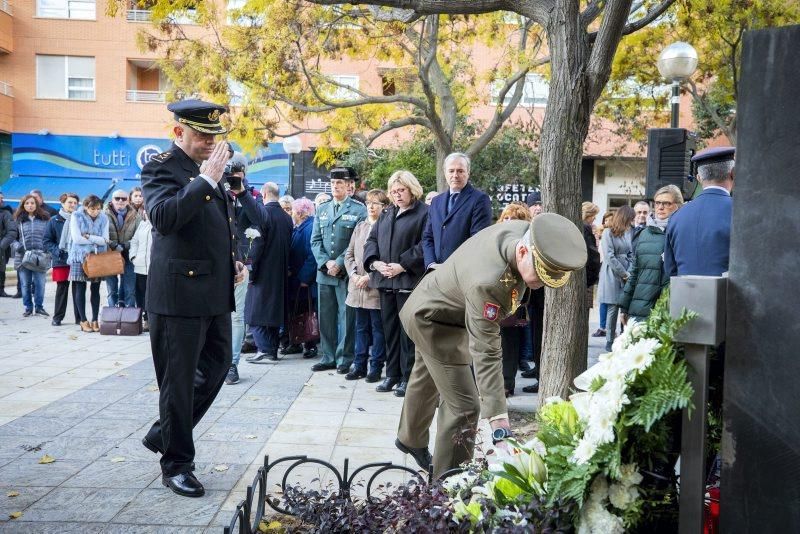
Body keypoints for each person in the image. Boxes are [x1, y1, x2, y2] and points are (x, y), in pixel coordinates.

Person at [395, 214, 587, 477]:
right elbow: (486, 350)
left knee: (426, 376)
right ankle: (448, 484)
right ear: (522, 251)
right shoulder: (490, 283)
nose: (543, 284)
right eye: (541, 275)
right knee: (464, 407)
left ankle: (409, 439)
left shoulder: (526, 233)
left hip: (436, 300)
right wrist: (498, 419)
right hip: (434, 322)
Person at [140, 99, 241, 498]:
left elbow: (218, 224)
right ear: (178, 132)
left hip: (214, 290)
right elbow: (164, 219)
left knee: (217, 369)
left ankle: (164, 431)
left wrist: (234, 259)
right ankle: (177, 464)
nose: (209, 144)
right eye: (201, 136)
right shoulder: (160, 167)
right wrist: (206, 179)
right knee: (177, 384)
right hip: (178, 294)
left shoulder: (208, 170)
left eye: (214, 136)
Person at [364, 172, 428, 396]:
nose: (397, 194)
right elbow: (372, 240)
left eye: (401, 190)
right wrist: (375, 263)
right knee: (389, 330)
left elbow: (424, 245)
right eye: (393, 191)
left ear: (412, 189)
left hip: (408, 280)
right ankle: (391, 374)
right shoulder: (387, 213)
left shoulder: (424, 213)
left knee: (406, 333)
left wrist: (402, 265)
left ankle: (407, 377)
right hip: (385, 281)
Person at [310, 167, 367, 373]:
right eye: (333, 183)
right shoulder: (322, 208)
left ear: (348, 185)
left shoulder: (359, 210)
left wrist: (339, 263)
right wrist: (326, 263)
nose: (336, 186)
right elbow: (315, 240)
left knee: (346, 317)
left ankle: (344, 358)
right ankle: (328, 356)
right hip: (325, 273)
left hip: (345, 273)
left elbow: (357, 243)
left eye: (340, 183)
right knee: (325, 317)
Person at [237, 182, 293, 364]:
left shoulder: (263, 214)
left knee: (255, 313)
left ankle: (264, 349)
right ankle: (272, 349)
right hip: (281, 271)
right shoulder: (286, 217)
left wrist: (250, 269)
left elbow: (257, 244)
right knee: (273, 313)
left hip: (263, 271)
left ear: (265, 193)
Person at [664, 147, 735, 277]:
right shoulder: (740, 212)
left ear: (698, 178)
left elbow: (670, 270)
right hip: (729, 295)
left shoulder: (677, 216)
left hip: (686, 295)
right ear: (733, 173)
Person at [619, 185, 683, 324]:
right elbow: (635, 271)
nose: (660, 207)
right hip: (641, 307)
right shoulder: (645, 233)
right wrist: (624, 307)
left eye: (666, 203)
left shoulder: (683, 232)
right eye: (658, 203)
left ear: (677, 206)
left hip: (669, 308)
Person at [344, 189, 389, 382]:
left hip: (375, 287)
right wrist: (353, 274)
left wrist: (369, 277)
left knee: (378, 330)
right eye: (369, 203)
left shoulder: (387, 227)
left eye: (376, 203)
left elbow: (387, 257)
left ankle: (376, 367)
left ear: (384, 207)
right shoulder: (360, 226)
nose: (371, 206)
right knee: (360, 328)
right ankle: (359, 365)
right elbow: (349, 254)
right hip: (357, 287)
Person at [421, 152, 492, 270]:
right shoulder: (436, 202)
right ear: (445, 173)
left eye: (460, 171)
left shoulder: (479, 199)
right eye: (451, 171)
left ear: (468, 173)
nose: (455, 175)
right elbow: (428, 237)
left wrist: (453, 266)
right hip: (436, 271)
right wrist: (431, 263)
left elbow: (477, 239)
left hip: (463, 271)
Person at [495, 203, 531, 397]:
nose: (509, 221)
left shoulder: (526, 242)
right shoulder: (494, 237)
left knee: (509, 341)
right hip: (493, 293)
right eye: (506, 218)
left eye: (515, 218)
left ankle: (507, 382)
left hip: (515, 294)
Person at [67, 195, 109, 333]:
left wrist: (89, 237)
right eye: (92, 209)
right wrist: (96, 240)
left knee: (96, 289)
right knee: (80, 288)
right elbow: (77, 239)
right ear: (86, 206)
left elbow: (105, 240)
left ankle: (95, 319)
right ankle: (83, 320)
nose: (95, 211)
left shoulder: (104, 218)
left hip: (97, 256)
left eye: (98, 209)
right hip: (79, 256)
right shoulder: (76, 216)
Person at [598, 205, 635, 351]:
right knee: (612, 307)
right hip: (612, 273)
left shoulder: (627, 232)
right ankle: (609, 340)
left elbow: (631, 254)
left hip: (626, 271)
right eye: (630, 219)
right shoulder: (608, 232)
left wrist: (629, 271)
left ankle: (625, 336)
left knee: (625, 307)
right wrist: (624, 273)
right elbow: (609, 256)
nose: (632, 222)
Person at [286, 197, 319, 359]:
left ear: (299, 212)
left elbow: (312, 256)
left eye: (293, 210)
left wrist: (305, 278)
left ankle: (310, 344)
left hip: (305, 282)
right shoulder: (301, 227)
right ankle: (298, 342)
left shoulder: (309, 227)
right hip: (297, 279)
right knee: (298, 311)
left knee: (307, 313)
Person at [43, 192, 80, 326]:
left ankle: (80, 318)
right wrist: (57, 252)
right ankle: (57, 317)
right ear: (62, 203)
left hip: (77, 259)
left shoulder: (80, 219)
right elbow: (47, 241)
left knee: (78, 289)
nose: (73, 205)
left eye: (75, 203)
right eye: (70, 202)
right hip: (61, 260)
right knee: (62, 289)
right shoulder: (54, 220)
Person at [12, 195, 51, 317]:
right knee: (25, 284)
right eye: (27, 203)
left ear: (37, 205)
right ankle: (28, 307)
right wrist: (18, 246)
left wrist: (47, 250)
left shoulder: (45, 219)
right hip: (23, 257)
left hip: (40, 256)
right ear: (23, 205)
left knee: (40, 284)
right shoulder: (18, 220)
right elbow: (12, 238)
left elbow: (50, 236)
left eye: (32, 203)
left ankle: (39, 307)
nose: (30, 205)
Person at [105, 189, 141, 307]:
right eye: (117, 198)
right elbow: (101, 235)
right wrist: (113, 244)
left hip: (129, 255)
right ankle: (112, 318)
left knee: (130, 291)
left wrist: (126, 245)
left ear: (128, 201)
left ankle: (129, 321)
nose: (120, 201)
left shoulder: (136, 216)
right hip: (110, 256)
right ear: (112, 200)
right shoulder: (104, 215)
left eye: (124, 198)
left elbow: (138, 236)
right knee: (112, 291)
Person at [592, 210, 615, 338]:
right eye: (606, 220)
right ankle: (602, 326)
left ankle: (606, 327)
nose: (608, 223)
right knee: (602, 299)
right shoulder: (601, 234)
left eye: (610, 220)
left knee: (607, 299)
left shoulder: (614, 234)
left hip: (609, 268)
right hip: (601, 267)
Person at [129, 206, 153, 332]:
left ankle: (151, 319)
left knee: (152, 295)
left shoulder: (160, 225)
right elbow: (134, 241)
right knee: (141, 295)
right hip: (140, 267)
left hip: (154, 268)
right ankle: (144, 319)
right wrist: (133, 257)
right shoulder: (142, 225)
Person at [0, 195, 18, 298]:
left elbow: (12, 231)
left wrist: (1, 246)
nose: (2, 199)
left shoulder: (5, 213)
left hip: (1, 248)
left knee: (1, 269)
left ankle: (1, 290)